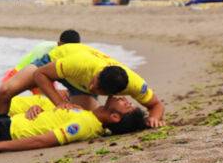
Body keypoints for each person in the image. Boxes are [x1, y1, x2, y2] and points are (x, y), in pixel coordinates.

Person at [31, 43, 166, 127]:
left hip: (73, 79)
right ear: (98, 75)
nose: (91, 88)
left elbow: (156, 105)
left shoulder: (135, 85)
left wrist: (152, 119)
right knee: (10, 89)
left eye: (96, 90)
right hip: (56, 61)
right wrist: (59, 103)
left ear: (112, 93)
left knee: (76, 115)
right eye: (93, 83)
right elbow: (39, 74)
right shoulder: (82, 64)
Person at [0, 96, 147, 155]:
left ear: (115, 117)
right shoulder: (87, 115)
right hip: (6, 122)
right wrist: (37, 108)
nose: (123, 99)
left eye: (127, 105)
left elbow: (45, 140)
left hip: (3, 132)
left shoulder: (85, 124)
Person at [0, 29, 81, 113]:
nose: (68, 51)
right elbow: (37, 76)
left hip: (43, 74)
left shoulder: (78, 53)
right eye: (65, 48)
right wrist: (55, 93)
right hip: (20, 72)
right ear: (59, 44)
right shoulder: (44, 49)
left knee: (46, 104)